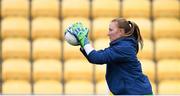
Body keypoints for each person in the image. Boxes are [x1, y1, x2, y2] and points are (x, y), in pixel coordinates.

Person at [66, 18, 153, 95]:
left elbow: (96, 58)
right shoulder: (121, 46)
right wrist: (82, 44)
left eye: (111, 30)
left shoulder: (124, 48)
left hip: (137, 93)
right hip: (128, 92)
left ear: (121, 32)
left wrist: (84, 40)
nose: (108, 34)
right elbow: (95, 56)